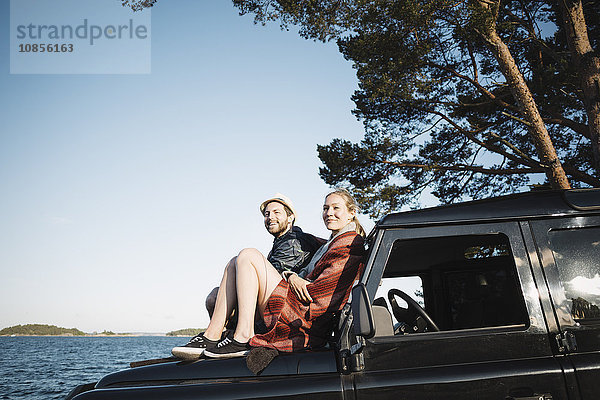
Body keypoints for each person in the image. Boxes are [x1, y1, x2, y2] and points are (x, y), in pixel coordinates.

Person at [174, 189, 366, 359]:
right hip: (300, 304)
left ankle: (242, 335)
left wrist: (297, 280)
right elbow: (309, 249)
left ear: (351, 213)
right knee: (234, 262)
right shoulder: (331, 242)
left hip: (306, 317)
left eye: (335, 208)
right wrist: (291, 276)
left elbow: (322, 296)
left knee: (248, 255)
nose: (329, 213)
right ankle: (211, 335)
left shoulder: (349, 244)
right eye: (325, 208)